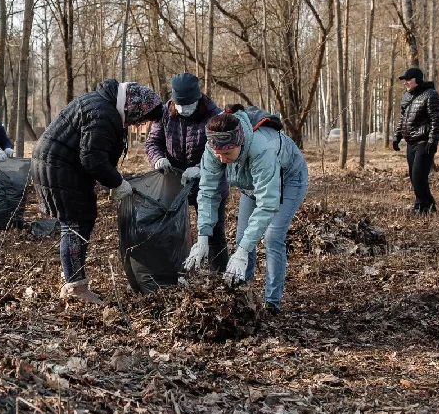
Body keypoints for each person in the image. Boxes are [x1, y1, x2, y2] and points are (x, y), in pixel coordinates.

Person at [32, 79, 163, 305]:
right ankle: (76, 288)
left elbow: (95, 154)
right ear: (134, 108)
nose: (139, 124)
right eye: (142, 118)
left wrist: (113, 179)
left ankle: (72, 276)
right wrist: (117, 183)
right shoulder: (103, 114)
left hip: (62, 166)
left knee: (80, 221)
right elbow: (92, 158)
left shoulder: (105, 105)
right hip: (59, 168)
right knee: (75, 224)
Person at [184, 105, 308, 316]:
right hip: (251, 184)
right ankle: (244, 294)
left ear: (239, 142)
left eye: (227, 153)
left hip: (288, 181)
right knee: (242, 238)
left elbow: (267, 204)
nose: (222, 159)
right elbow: (207, 192)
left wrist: (241, 252)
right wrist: (203, 235)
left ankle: (271, 303)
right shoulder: (215, 146)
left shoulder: (263, 148)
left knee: (272, 237)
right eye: (218, 154)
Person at [145, 73, 229, 271]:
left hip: (209, 183)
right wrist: (158, 158)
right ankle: (175, 275)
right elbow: (153, 142)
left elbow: (225, 153)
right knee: (172, 232)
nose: (183, 109)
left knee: (214, 233)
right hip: (174, 182)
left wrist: (200, 169)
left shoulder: (214, 116)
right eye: (179, 104)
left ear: (198, 99)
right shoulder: (165, 113)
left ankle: (219, 278)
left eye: (188, 104)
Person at [392, 67, 439, 214]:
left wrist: (432, 141)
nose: (405, 82)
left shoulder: (430, 95)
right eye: (404, 80)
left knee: (418, 175)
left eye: (408, 79)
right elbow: (403, 119)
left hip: (424, 142)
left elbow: (437, 120)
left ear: (417, 79)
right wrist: (397, 136)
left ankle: (420, 206)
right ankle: (429, 205)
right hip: (411, 142)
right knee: (415, 177)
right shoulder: (406, 97)